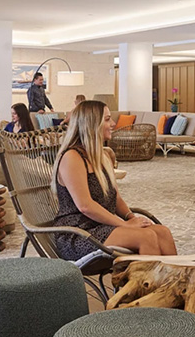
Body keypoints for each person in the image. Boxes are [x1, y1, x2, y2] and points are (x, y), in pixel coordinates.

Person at [52, 100, 176, 258]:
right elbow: (85, 206)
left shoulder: (102, 156)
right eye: (107, 119)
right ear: (91, 124)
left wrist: (132, 218)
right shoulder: (72, 157)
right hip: (78, 233)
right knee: (146, 237)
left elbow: (115, 197)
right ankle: (146, 282)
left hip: (103, 227)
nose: (113, 123)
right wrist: (125, 225)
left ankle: (175, 281)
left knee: (162, 232)